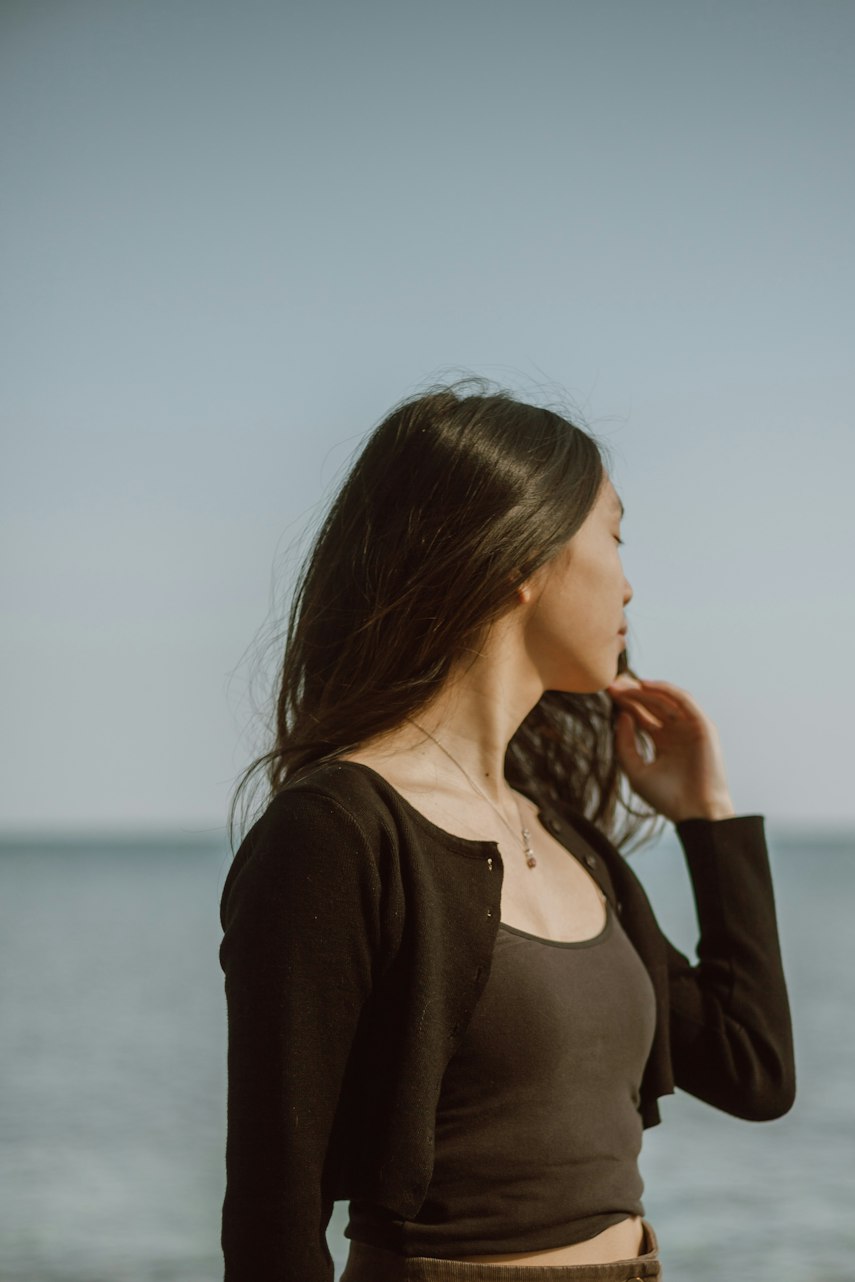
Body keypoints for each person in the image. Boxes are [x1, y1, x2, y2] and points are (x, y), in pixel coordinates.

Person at [219, 378, 795, 1282]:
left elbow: (754, 1070)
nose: (632, 582)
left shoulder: (566, 838)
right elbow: (272, 1219)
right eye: (614, 534)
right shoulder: (336, 832)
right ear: (522, 554)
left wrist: (708, 820)